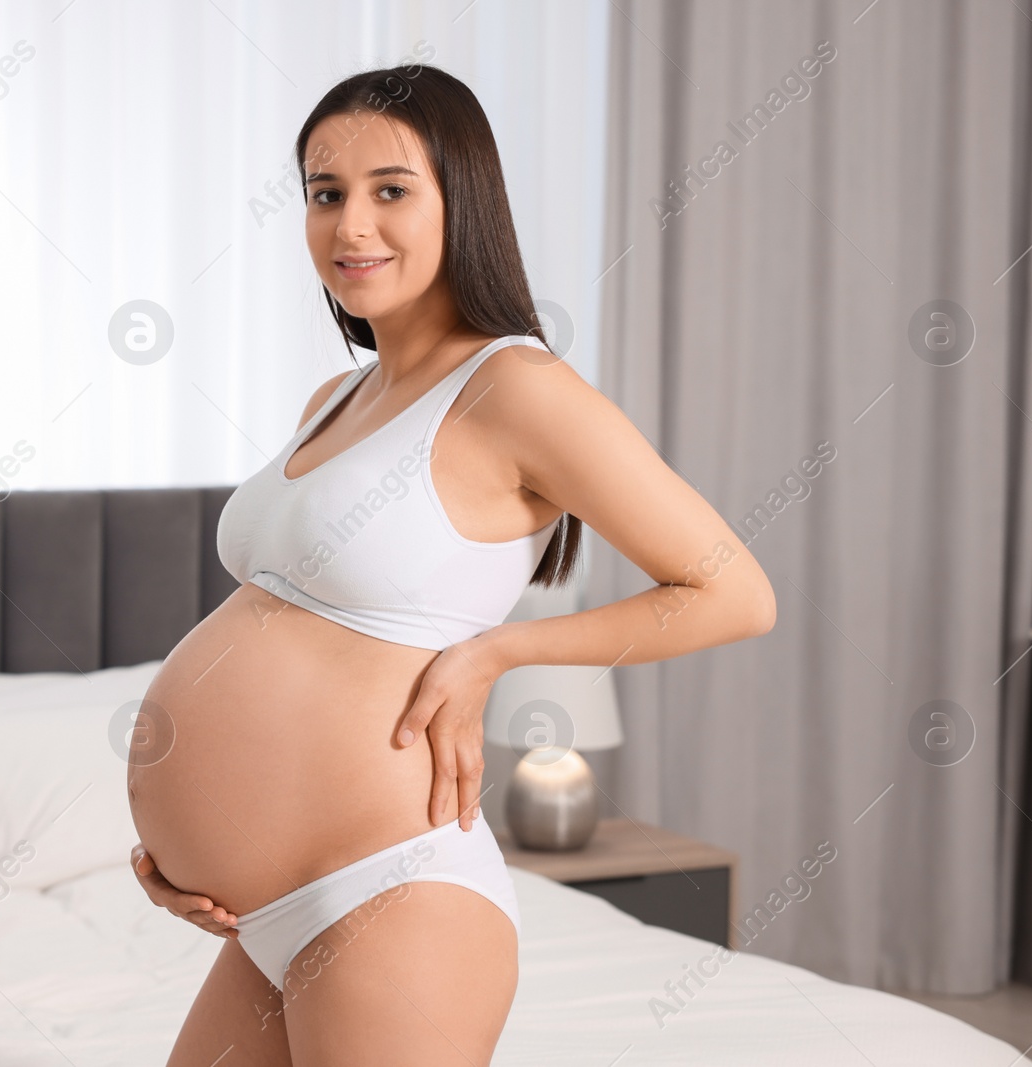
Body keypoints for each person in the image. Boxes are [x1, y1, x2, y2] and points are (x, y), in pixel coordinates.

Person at [127, 63, 776, 1066]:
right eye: (325, 193)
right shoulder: (332, 402)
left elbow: (732, 591)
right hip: (262, 915)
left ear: (458, 199)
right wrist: (182, 845)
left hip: (393, 892)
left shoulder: (515, 384)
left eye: (391, 190)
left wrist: (497, 652)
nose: (351, 226)